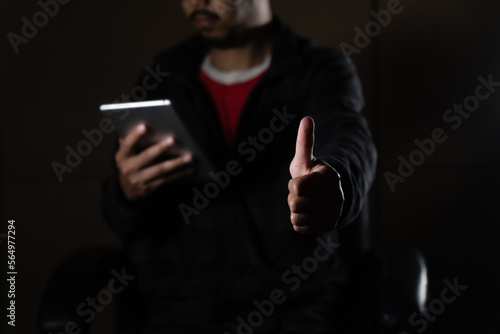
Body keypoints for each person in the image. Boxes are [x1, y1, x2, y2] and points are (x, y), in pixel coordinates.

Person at [102, 0, 377, 333]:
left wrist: (335, 182)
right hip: (181, 307)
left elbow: (350, 141)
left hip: (292, 306)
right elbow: (122, 220)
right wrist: (128, 192)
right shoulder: (164, 74)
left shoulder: (319, 69)